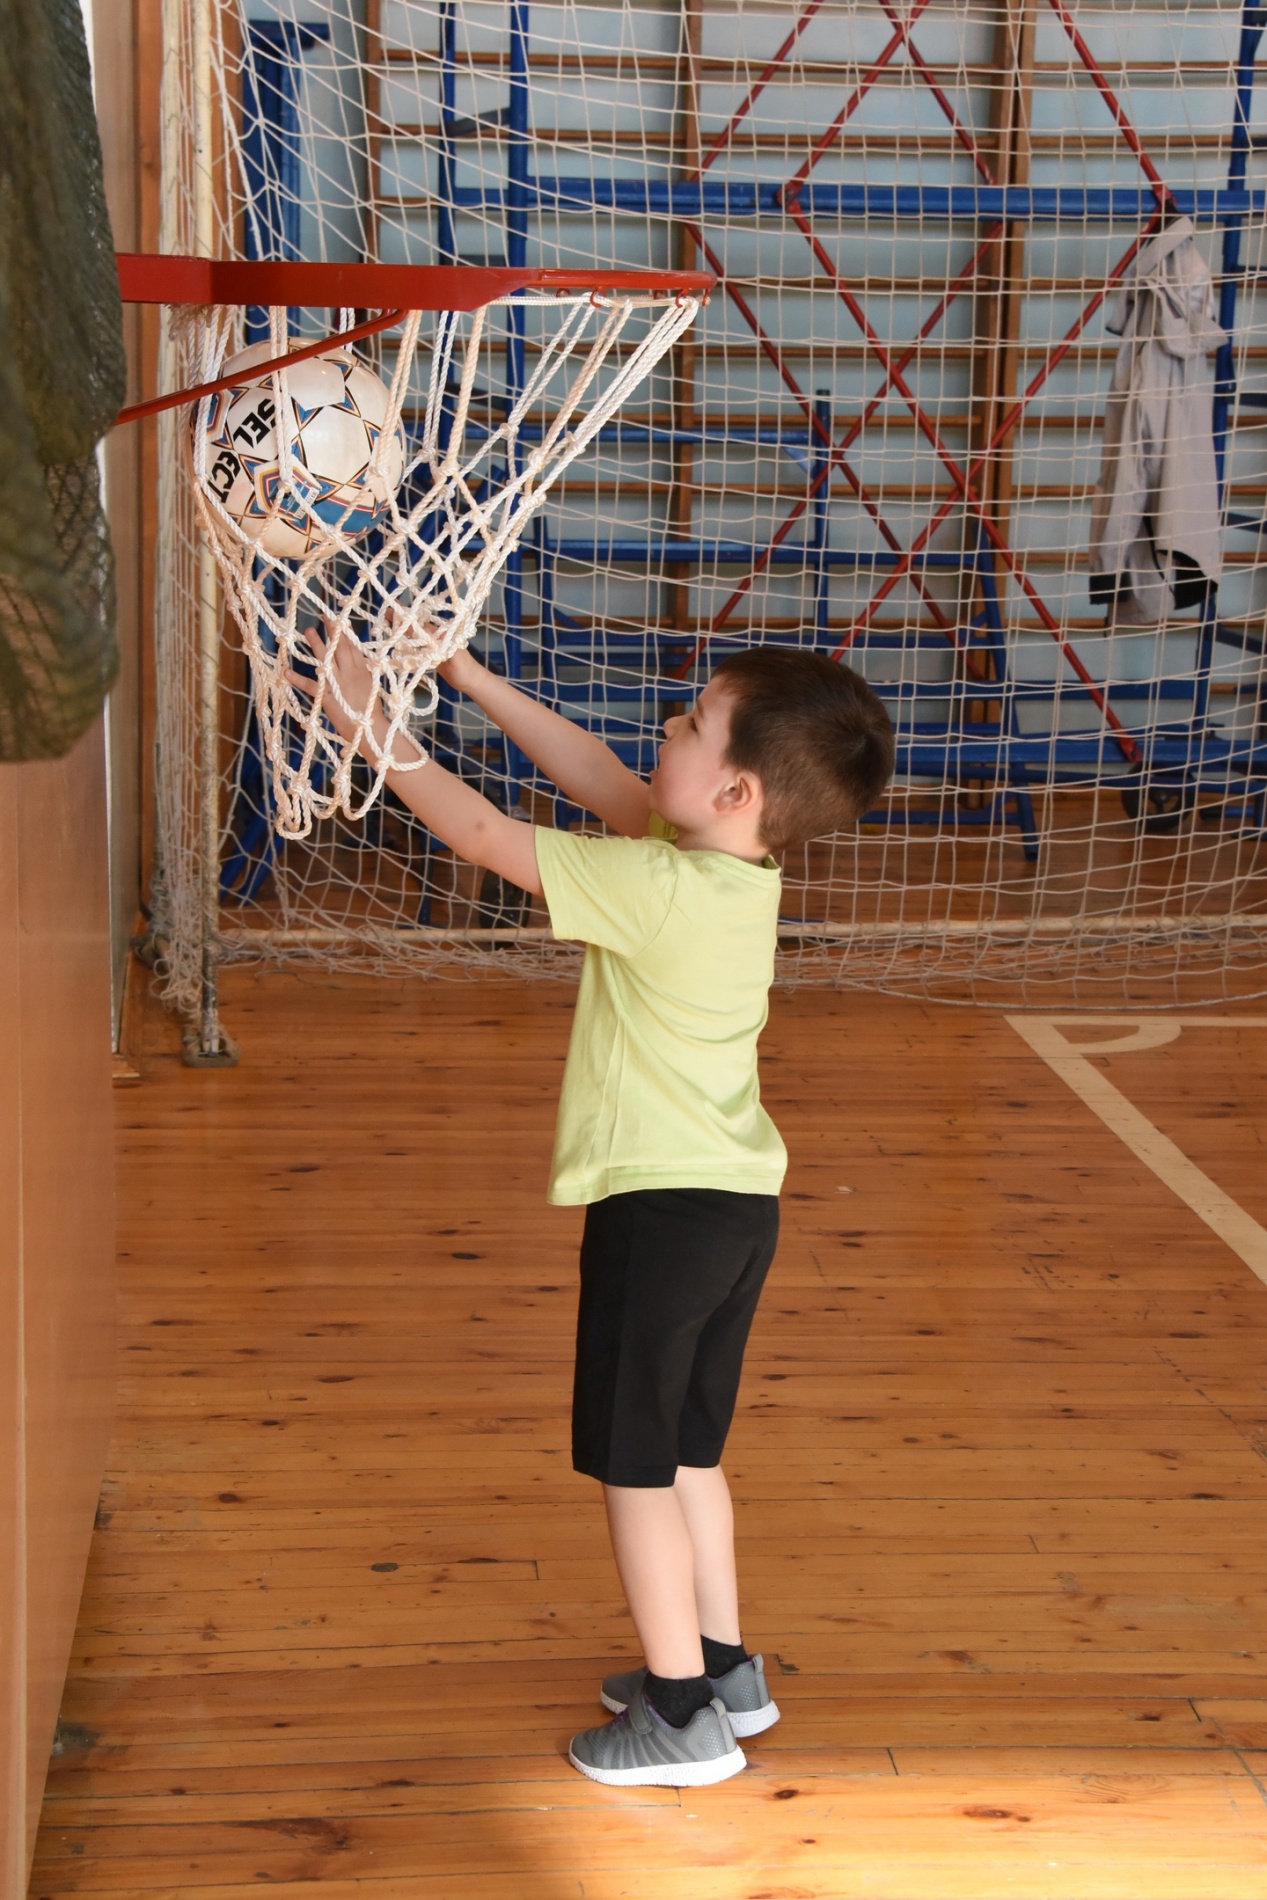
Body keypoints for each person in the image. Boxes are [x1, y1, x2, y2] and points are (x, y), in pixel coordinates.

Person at [292, 630, 894, 1788]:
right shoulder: (726, 867)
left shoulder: (659, 887)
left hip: (658, 1215)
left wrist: (373, 725)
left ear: (735, 791)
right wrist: (471, 678)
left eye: (691, 723)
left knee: (634, 1469)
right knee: (689, 1455)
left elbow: (482, 836)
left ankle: (677, 1717)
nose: (664, 728)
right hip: (734, 1209)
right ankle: (725, 1669)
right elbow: (600, 778)